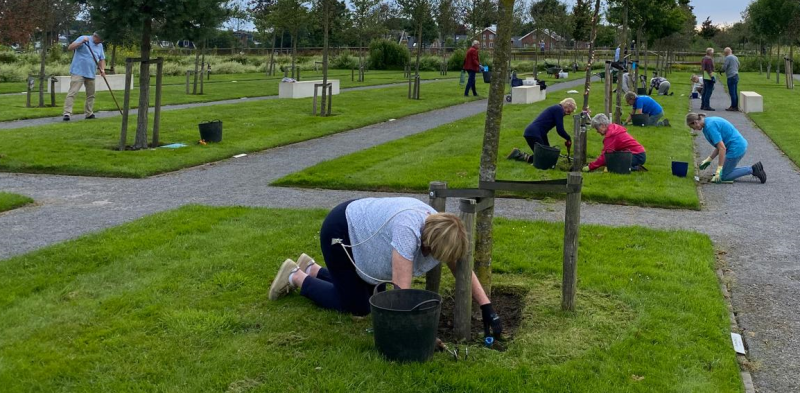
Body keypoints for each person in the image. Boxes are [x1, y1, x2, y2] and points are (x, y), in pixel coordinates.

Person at [268, 197, 504, 337]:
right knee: (359, 306)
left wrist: (486, 307)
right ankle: (295, 276)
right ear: (427, 241)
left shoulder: (444, 230)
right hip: (340, 234)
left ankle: (312, 268)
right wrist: (421, 336)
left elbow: (461, 269)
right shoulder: (407, 230)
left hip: (359, 232)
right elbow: (401, 296)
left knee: (370, 293)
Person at [686, 113, 766, 184]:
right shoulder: (708, 122)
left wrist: (719, 168)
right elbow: (719, 145)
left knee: (723, 177)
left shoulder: (710, 127)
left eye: (692, 127)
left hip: (736, 148)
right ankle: (753, 168)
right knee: (724, 172)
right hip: (737, 145)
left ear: (695, 122)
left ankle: (752, 169)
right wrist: (709, 159)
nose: (694, 129)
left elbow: (722, 148)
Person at [507, 98, 576, 163]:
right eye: (570, 110)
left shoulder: (557, 108)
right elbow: (560, 130)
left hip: (537, 133)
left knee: (549, 156)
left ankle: (523, 155)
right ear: (567, 105)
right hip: (533, 134)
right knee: (544, 159)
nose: (569, 113)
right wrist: (568, 138)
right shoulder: (559, 110)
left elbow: (544, 130)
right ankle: (518, 155)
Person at [63, 32, 105, 121]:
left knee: (91, 94)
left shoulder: (100, 45)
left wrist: (102, 69)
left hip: (91, 72)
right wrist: (81, 42)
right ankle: (67, 113)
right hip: (78, 71)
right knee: (72, 92)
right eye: (100, 40)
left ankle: (89, 113)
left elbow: (101, 58)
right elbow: (70, 48)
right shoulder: (84, 38)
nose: (101, 42)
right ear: (95, 37)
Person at [722, 47, 740, 111]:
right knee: (735, 92)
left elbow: (725, 66)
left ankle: (733, 106)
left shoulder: (728, 58)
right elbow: (738, 64)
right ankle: (736, 106)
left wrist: (721, 70)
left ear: (726, 52)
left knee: (732, 92)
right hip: (736, 75)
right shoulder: (735, 57)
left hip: (731, 76)